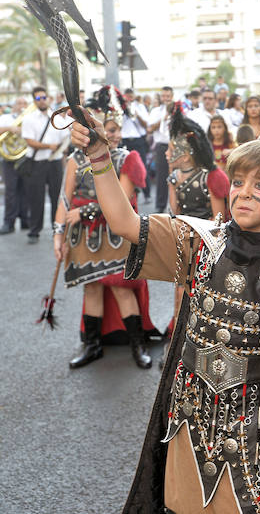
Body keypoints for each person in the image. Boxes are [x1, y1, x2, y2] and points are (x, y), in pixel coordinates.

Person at [72, 114, 260, 513]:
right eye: (238, 182)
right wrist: (101, 159)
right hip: (188, 420)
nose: (243, 193)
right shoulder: (200, 241)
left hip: (255, 429)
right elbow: (124, 222)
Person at [54, 86, 153, 369]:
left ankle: (138, 345)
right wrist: (57, 236)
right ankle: (92, 345)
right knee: (92, 289)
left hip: (115, 233)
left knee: (122, 290)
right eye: (106, 128)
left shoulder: (126, 158)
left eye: (115, 128)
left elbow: (124, 199)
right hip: (84, 236)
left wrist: (83, 211)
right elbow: (64, 198)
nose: (112, 134)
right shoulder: (74, 160)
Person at [22, 85, 66, 244]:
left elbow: (64, 137)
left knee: (57, 197)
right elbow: (29, 141)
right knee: (36, 198)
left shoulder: (57, 118)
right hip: (37, 163)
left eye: (44, 97)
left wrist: (61, 147)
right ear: (34, 101)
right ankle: (34, 231)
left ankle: (57, 230)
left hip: (54, 163)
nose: (42, 100)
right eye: (38, 98)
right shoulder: (29, 119)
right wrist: (49, 146)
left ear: (48, 98)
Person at [0, 98, 30, 234]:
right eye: (19, 103)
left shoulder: (30, 118)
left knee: (26, 190)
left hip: (26, 158)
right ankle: (9, 222)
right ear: (14, 106)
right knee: (11, 191)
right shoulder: (5, 118)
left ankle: (26, 220)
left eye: (24, 103)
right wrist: (9, 128)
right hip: (9, 159)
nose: (22, 106)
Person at [147, 86, 174, 213]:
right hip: (162, 146)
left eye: (168, 96)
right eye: (164, 96)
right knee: (161, 177)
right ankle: (160, 205)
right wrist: (163, 118)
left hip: (176, 146)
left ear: (172, 96)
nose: (166, 98)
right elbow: (150, 129)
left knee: (179, 176)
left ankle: (178, 205)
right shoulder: (156, 111)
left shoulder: (177, 110)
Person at [122, 88, 151, 202]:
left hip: (138, 140)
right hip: (124, 140)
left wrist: (136, 114)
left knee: (142, 166)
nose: (129, 99)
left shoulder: (139, 106)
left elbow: (146, 125)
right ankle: (127, 195)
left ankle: (146, 194)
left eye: (130, 96)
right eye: (127, 97)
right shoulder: (119, 107)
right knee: (123, 169)